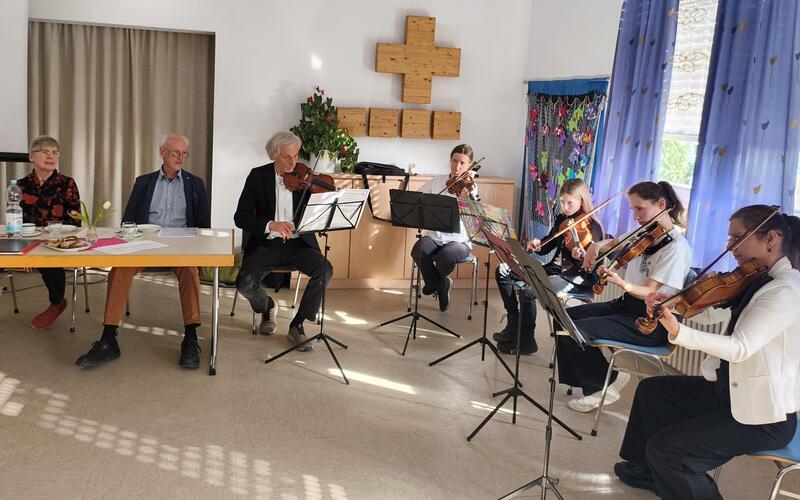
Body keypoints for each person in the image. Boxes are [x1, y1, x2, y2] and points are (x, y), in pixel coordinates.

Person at [614, 205, 800, 499]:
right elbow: (715, 315)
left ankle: (664, 467)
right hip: (729, 392)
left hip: (762, 416)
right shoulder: (759, 278)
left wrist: (678, 332)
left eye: (737, 239)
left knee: (669, 452)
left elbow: (740, 348)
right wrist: (674, 304)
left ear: (772, 239)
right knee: (654, 391)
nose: (729, 247)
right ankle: (648, 470)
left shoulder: (785, 291)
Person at [75, 133, 210, 369]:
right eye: (175, 152)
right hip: (145, 243)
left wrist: (193, 244)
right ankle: (108, 339)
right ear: (162, 152)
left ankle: (190, 337)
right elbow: (128, 221)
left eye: (184, 153)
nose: (180, 157)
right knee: (119, 270)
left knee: (190, 271)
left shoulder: (195, 183)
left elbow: (203, 226)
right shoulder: (144, 182)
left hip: (180, 246)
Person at [556, 180, 692, 412]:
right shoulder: (646, 231)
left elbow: (650, 291)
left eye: (640, 209)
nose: (636, 216)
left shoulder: (676, 249)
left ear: (661, 204)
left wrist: (623, 283)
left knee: (577, 330)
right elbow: (616, 242)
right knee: (564, 316)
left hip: (650, 321)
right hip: (626, 306)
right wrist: (597, 247)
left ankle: (601, 387)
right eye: (632, 209)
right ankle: (607, 378)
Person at [234, 131, 333, 351]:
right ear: (274, 156)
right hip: (267, 243)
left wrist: (326, 201)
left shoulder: (304, 179)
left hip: (299, 243)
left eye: (296, 155)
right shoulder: (257, 177)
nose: (293, 162)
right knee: (245, 283)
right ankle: (268, 306)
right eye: (287, 157)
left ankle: (297, 325)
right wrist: (271, 224)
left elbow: (321, 208)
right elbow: (241, 217)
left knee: (324, 270)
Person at [493, 178, 603, 355]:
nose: (565, 207)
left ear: (582, 201)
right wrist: (538, 244)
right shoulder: (562, 218)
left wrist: (581, 257)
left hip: (574, 277)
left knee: (529, 291)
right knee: (504, 271)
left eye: (570, 203)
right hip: (554, 270)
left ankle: (526, 340)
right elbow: (547, 248)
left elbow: (590, 268)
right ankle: (513, 323)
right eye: (562, 202)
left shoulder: (593, 227)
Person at [17, 135, 82, 330]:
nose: (51, 156)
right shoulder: (20, 185)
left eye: (55, 153)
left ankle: (57, 304)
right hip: (28, 241)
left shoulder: (67, 183)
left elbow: (75, 220)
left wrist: (54, 237)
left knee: (50, 262)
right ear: (31, 156)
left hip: (56, 242)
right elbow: (16, 220)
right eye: (45, 152)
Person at [411, 144, 478, 312]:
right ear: (450, 160)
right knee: (418, 249)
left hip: (459, 240)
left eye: (462, 163)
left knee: (446, 256)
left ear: (469, 165)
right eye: (454, 161)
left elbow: (476, 216)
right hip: (435, 235)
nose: (457, 166)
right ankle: (440, 283)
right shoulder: (438, 182)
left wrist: (466, 199)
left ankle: (435, 281)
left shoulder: (471, 187)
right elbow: (418, 198)